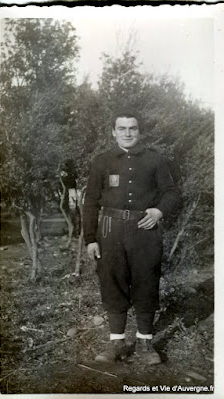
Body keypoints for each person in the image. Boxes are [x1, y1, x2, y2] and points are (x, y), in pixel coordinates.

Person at [83, 109, 180, 365]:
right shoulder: (101, 161)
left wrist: (159, 211)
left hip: (145, 231)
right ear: (113, 132)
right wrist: (90, 238)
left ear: (140, 131)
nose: (127, 133)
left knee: (146, 282)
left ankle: (145, 343)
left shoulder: (155, 160)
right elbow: (91, 201)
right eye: (122, 129)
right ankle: (117, 343)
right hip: (110, 231)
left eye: (132, 128)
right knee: (112, 282)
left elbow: (172, 192)